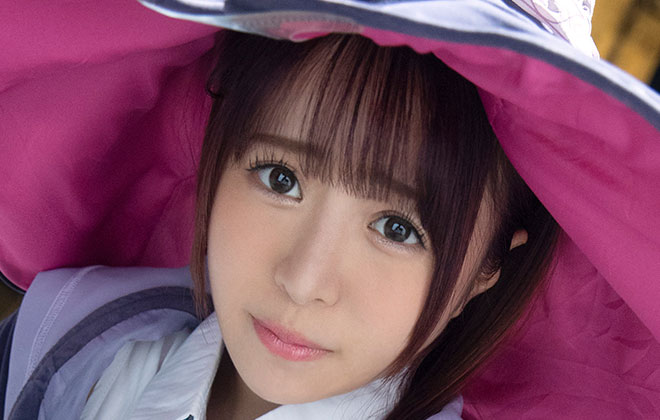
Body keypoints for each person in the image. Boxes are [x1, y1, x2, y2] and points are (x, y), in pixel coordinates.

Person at [1, 1, 659, 419]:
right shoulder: (79, 345)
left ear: (487, 268)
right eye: (280, 178)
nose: (304, 279)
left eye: (397, 228)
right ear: (218, 147)